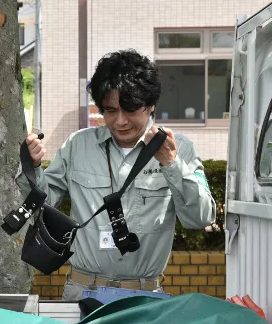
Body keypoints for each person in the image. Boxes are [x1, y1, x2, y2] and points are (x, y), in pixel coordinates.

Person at [17, 49, 216, 301]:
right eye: (110, 111)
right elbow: (44, 206)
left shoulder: (179, 148)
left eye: (130, 109)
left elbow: (200, 218)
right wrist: (31, 167)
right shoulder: (78, 145)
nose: (120, 121)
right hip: (83, 292)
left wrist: (172, 164)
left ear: (151, 105)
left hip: (144, 297)